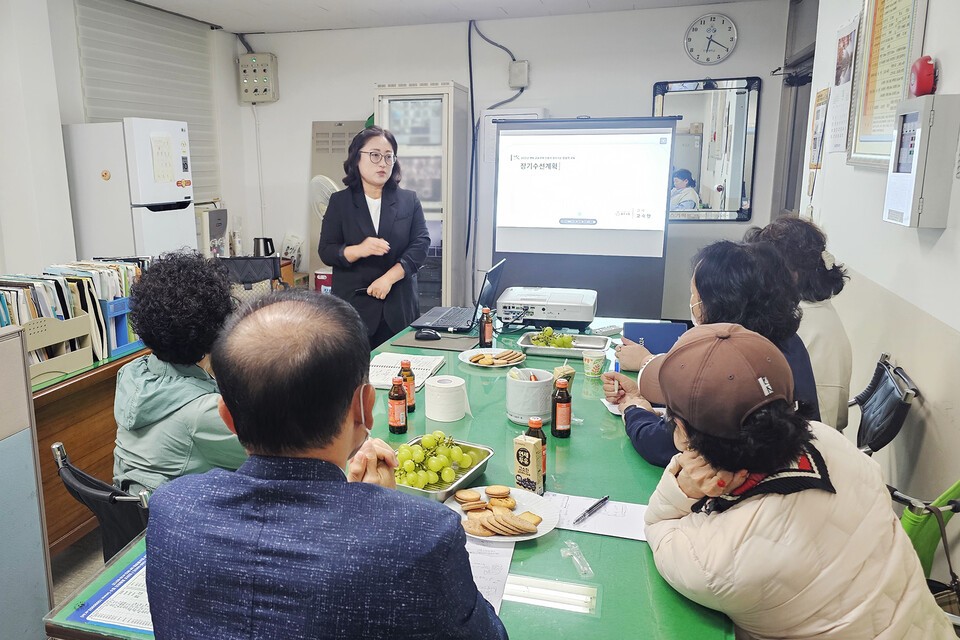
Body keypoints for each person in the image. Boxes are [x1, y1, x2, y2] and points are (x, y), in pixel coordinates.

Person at [145, 290, 507, 639]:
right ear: (365, 407)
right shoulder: (421, 536)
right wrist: (379, 518)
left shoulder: (170, 509)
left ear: (228, 418)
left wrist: (367, 511)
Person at [641, 323, 953, 640]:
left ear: (681, 431)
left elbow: (658, 525)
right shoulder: (832, 443)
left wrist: (682, 484)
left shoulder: (714, 561)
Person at [604, 240, 820, 467]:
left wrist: (633, 408)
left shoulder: (729, 361)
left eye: (694, 295)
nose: (692, 304)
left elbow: (664, 444)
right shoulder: (787, 341)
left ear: (719, 302)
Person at [113, 251, 246, 493]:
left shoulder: (131, 375)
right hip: (186, 523)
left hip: (143, 518)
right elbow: (278, 454)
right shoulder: (202, 414)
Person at [318, 126, 431, 350]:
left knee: (402, 374)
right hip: (355, 310)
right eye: (375, 155)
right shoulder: (340, 202)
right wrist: (359, 249)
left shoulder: (408, 200)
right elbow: (326, 250)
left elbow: (421, 245)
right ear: (356, 158)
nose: (382, 163)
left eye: (389, 157)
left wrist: (388, 279)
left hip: (399, 307)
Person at [745, 216, 852, 430]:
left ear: (790, 272)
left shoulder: (797, 321)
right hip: (817, 429)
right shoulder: (816, 309)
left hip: (807, 436)